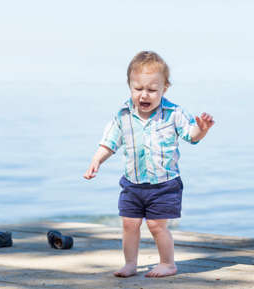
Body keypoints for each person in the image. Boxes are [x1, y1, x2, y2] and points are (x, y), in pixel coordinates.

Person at [84, 51, 214, 278]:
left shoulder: (174, 113)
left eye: (152, 90)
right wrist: (96, 160)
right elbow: (109, 143)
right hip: (132, 184)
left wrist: (201, 129)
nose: (144, 95)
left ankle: (168, 263)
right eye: (138, 89)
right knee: (129, 224)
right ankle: (130, 263)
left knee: (156, 226)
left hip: (164, 184)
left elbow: (190, 136)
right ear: (129, 86)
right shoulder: (123, 115)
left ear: (165, 88)